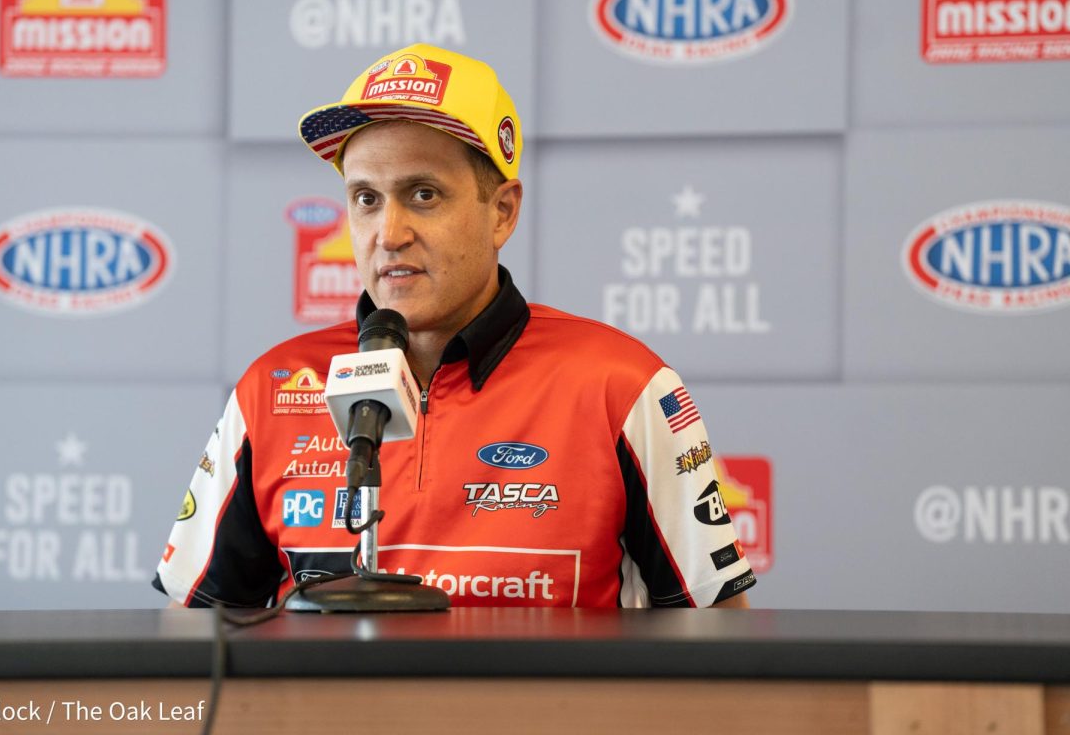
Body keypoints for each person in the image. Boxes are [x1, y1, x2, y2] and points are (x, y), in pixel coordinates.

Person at [154, 43, 754, 609]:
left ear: (501, 212)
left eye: (422, 194)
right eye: (365, 198)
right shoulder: (274, 386)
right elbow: (195, 634)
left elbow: (717, 632)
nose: (387, 234)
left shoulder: (621, 385)